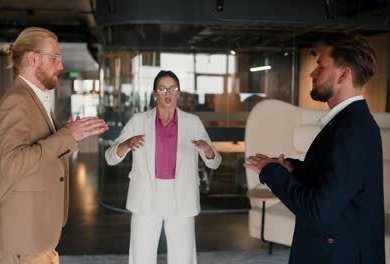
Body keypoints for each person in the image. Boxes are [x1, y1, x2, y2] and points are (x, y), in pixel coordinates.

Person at [244, 34, 384, 264]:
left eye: (320, 66)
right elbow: (336, 182)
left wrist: (271, 172)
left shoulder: (351, 130)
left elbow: (319, 212)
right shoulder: (347, 123)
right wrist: (293, 169)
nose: (312, 73)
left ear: (344, 74)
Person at [0, 27, 108, 263]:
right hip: (24, 238)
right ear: (33, 58)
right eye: (55, 58)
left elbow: (45, 152)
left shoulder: (35, 98)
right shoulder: (16, 100)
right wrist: (66, 137)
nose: (60, 66)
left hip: (38, 233)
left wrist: (68, 134)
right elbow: (12, 164)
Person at [105, 70, 221, 264]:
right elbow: (110, 157)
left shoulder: (192, 123)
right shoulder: (139, 121)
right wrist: (127, 144)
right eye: (162, 88)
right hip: (146, 196)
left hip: (181, 196)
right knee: (141, 257)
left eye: (173, 88)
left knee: (183, 258)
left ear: (178, 92)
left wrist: (208, 151)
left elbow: (215, 161)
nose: (168, 93)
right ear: (154, 93)